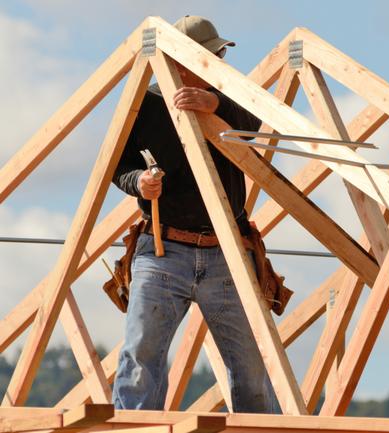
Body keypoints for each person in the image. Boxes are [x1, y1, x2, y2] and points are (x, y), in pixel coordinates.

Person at [111, 15, 278, 413]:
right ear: (185, 61)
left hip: (225, 251)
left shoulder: (229, 96)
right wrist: (140, 183)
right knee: (140, 362)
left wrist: (215, 105)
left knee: (252, 370)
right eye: (214, 55)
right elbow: (118, 167)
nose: (220, 61)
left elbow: (256, 122)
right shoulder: (146, 102)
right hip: (163, 249)